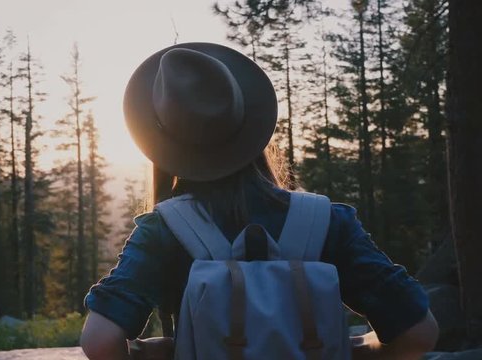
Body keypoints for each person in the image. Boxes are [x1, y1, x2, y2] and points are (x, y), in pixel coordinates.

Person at [80, 42, 438, 360]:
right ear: (248, 121)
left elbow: (99, 342)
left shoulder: (164, 229)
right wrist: (358, 348)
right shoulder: (326, 221)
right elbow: (419, 332)